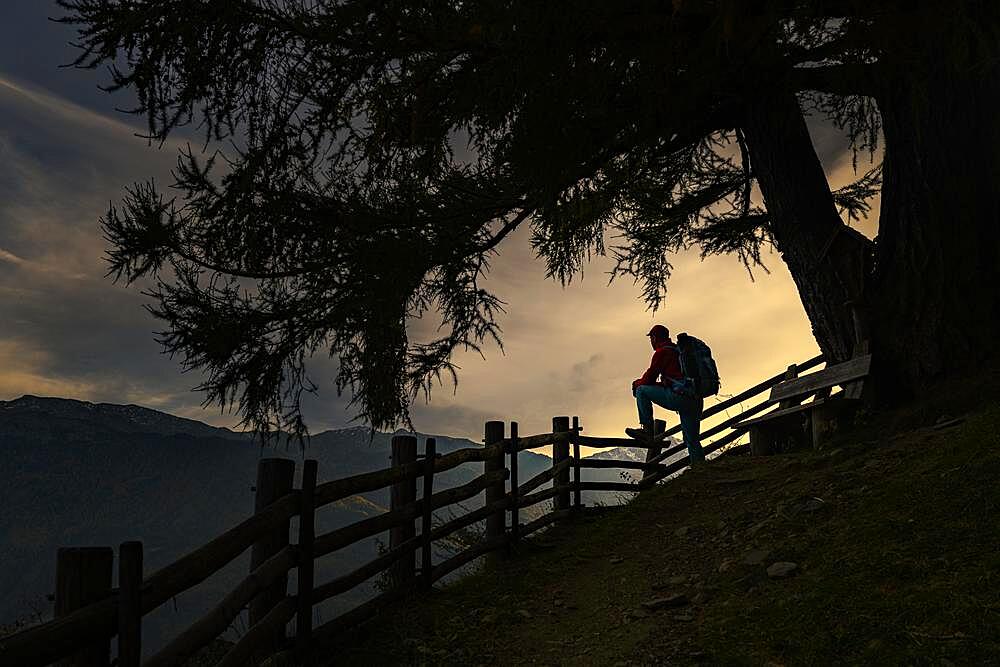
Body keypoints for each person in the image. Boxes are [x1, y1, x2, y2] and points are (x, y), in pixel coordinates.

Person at [625, 324, 705, 463]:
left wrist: (636, 384)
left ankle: (646, 429)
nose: (651, 342)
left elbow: (649, 378)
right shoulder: (678, 351)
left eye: (651, 338)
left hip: (679, 397)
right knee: (692, 439)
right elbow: (673, 381)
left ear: (654, 338)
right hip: (695, 398)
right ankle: (700, 467)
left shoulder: (662, 352)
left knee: (641, 390)